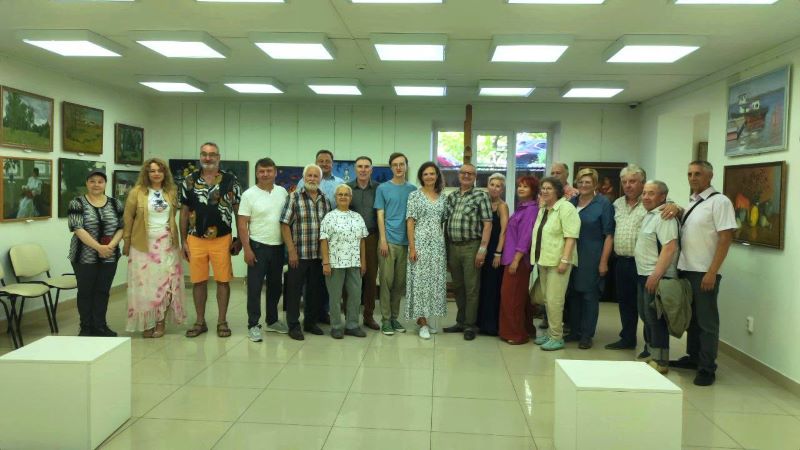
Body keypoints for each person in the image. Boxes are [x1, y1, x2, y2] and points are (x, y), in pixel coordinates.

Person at [664, 161, 736, 386]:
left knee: (706, 322)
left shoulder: (720, 202)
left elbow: (726, 238)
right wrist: (677, 208)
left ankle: (707, 368)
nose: (692, 178)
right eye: (689, 174)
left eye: (697, 174)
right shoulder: (694, 202)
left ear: (710, 176)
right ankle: (693, 357)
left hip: (704, 272)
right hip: (686, 269)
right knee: (692, 319)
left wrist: (712, 272)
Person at [180, 142, 242, 338]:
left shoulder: (231, 180)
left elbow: (238, 212)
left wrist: (240, 238)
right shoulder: (189, 180)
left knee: (223, 281)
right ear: (200, 156)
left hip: (222, 239)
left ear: (218, 157)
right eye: (204, 154)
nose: (208, 158)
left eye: (212, 154)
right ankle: (200, 322)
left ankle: (222, 322)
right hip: (195, 239)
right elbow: (183, 213)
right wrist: (183, 241)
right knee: (198, 282)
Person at [122, 158, 186, 338]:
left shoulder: (171, 191)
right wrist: (126, 242)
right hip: (142, 245)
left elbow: (174, 216)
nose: (156, 173)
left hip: (167, 244)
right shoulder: (136, 192)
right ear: (146, 173)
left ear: (165, 173)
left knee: (166, 284)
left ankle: (160, 321)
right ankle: (146, 322)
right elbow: (128, 218)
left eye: (160, 170)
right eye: (152, 170)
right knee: (145, 286)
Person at [238, 158, 289, 343]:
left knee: (275, 287)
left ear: (275, 172)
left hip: (278, 248)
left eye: (269, 171)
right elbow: (242, 224)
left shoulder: (282, 192)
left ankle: (272, 321)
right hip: (257, 247)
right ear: (256, 173)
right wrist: (247, 249)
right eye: (261, 171)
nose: (265, 174)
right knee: (254, 288)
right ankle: (253, 325)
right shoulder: (249, 195)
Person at [67, 168, 124, 337]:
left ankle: (100, 326)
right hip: (83, 257)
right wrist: (99, 247)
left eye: (100, 181)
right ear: (87, 183)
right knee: (86, 292)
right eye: (92, 181)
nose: (96, 185)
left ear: (105, 184)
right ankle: (86, 327)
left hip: (109, 255)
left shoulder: (116, 203)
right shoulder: (77, 203)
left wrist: (110, 246)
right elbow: (77, 228)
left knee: (102, 291)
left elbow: (122, 227)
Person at [443, 163, 493, 341]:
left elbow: (488, 224)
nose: (466, 176)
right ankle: (461, 321)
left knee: (471, 288)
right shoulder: (452, 196)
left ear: (475, 177)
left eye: (470, 173)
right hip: (453, 247)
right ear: (459, 175)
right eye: (463, 172)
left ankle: (470, 325)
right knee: (458, 287)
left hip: (472, 247)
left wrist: (482, 249)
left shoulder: (481, 196)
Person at [280, 164, 330, 340]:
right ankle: (293, 325)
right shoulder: (294, 197)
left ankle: (310, 322)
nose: (312, 179)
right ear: (304, 178)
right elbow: (284, 224)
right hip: (298, 255)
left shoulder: (325, 200)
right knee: (294, 292)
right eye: (309, 175)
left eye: (316, 176)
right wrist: (291, 251)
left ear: (320, 179)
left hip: (318, 255)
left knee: (314, 292)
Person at [634, 180, 680, 374]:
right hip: (643, 274)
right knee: (647, 316)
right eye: (644, 193)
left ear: (663, 197)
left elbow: (670, 248)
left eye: (651, 193)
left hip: (656, 276)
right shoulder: (650, 215)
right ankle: (653, 355)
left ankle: (661, 361)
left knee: (656, 319)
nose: (645, 197)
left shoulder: (664, 217)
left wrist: (656, 275)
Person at [566, 168, 615, 349]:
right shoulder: (571, 202)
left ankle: (586, 335)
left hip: (592, 256)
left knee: (589, 296)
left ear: (595, 184)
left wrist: (603, 262)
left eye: (588, 182)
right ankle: (574, 331)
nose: (584, 185)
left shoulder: (603, 204)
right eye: (580, 182)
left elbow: (609, 235)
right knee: (573, 294)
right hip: (571, 255)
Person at [531, 177, 580, 351]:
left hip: (558, 261)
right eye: (543, 188)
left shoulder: (566, 208)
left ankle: (557, 337)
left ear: (558, 191)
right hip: (544, 259)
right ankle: (551, 333)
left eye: (549, 188)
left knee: (554, 301)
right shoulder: (544, 209)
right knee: (546, 300)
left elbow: (571, 236)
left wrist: (565, 260)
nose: (545, 191)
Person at [605, 165, 649, 355]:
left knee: (646, 306)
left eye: (632, 181)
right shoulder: (617, 204)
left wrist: (675, 207)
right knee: (625, 303)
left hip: (643, 263)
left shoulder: (651, 202)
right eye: (624, 182)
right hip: (622, 261)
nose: (628, 185)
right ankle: (628, 338)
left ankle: (651, 345)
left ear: (643, 183)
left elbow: (672, 207)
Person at [297, 149, 343, 324]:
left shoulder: (340, 183)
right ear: (316, 162)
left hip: (332, 239)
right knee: (309, 281)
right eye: (321, 161)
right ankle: (310, 315)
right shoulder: (304, 182)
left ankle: (324, 312)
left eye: (327, 161)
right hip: (308, 238)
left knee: (326, 278)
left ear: (332, 163)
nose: (324, 164)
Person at [375, 152, 417, 336]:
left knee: (399, 284)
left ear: (406, 166)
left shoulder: (413, 190)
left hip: (406, 243)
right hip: (388, 242)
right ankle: (385, 320)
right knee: (386, 282)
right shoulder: (383, 188)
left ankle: (394, 317)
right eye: (395, 165)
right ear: (391, 167)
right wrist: (383, 240)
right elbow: (380, 215)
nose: (399, 167)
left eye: (402, 164)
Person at [320, 184, 368, 339]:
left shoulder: (357, 217)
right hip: (335, 264)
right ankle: (335, 326)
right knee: (335, 297)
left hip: (354, 263)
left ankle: (352, 325)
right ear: (335, 198)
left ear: (350, 198)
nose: (343, 197)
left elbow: (362, 241)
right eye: (340, 194)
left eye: (346, 194)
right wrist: (326, 262)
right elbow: (324, 240)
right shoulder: (329, 217)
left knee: (355, 295)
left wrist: (363, 262)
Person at [406, 162, 448, 340]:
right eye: (425, 174)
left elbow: (443, 221)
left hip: (437, 245)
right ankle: (421, 322)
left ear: (437, 176)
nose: (429, 177)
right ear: (421, 177)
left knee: (433, 283)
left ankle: (426, 320)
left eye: (432, 173)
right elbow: (410, 222)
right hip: (420, 244)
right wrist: (412, 247)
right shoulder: (414, 196)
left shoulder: (443, 198)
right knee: (420, 282)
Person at [498, 176, 540, 345]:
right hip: (511, 258)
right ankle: (527, 329)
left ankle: (517, 334)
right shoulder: (522, 208)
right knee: (519, 296)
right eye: (519, 186)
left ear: (533, 190)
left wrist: (516, 260)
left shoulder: (531, 210)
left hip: (518, 261)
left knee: (511, 297)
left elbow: (526, 237)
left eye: (525, 186)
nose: (521, 189)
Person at [347, 156, 381, 330]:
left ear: (371, 169)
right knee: (350, 277)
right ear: (355, 169)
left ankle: (368, 316)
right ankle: (350, 317)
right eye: (360, 166)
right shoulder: (347, 189)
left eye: (366, 166)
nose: (363, 169)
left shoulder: (378, 189)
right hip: (349, 239)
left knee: (370, 278)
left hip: (371, 237)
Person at [477, 173, 509, 336]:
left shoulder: (502, 206)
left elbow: (504, 231)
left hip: (494, 251)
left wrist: (498, 253)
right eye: (492, 185)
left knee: (492, 288)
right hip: (481, 249)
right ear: (487, 186)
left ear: (502, 189)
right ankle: (480, 323)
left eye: (498, 186)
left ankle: (491, 325)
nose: (495, 188)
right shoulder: (482, 203)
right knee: (482, 287)